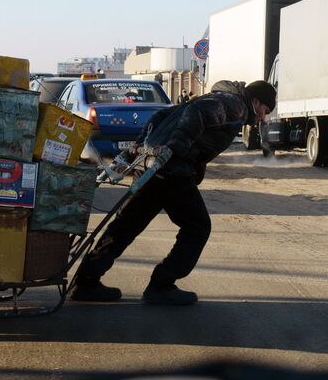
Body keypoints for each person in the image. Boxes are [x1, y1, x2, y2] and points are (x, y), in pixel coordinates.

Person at [71, 80, 276, 306]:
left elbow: (161, 116)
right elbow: (197, 113)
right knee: (197, 227)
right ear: (256, 102)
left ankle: (87, 280)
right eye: (265, 111)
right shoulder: (236, 105)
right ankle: (162, 284)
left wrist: (140, 145)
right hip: (172, 170)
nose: (262, 118)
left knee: (126, 225)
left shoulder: (214, 96)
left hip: (152, 165)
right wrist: (176, 147)